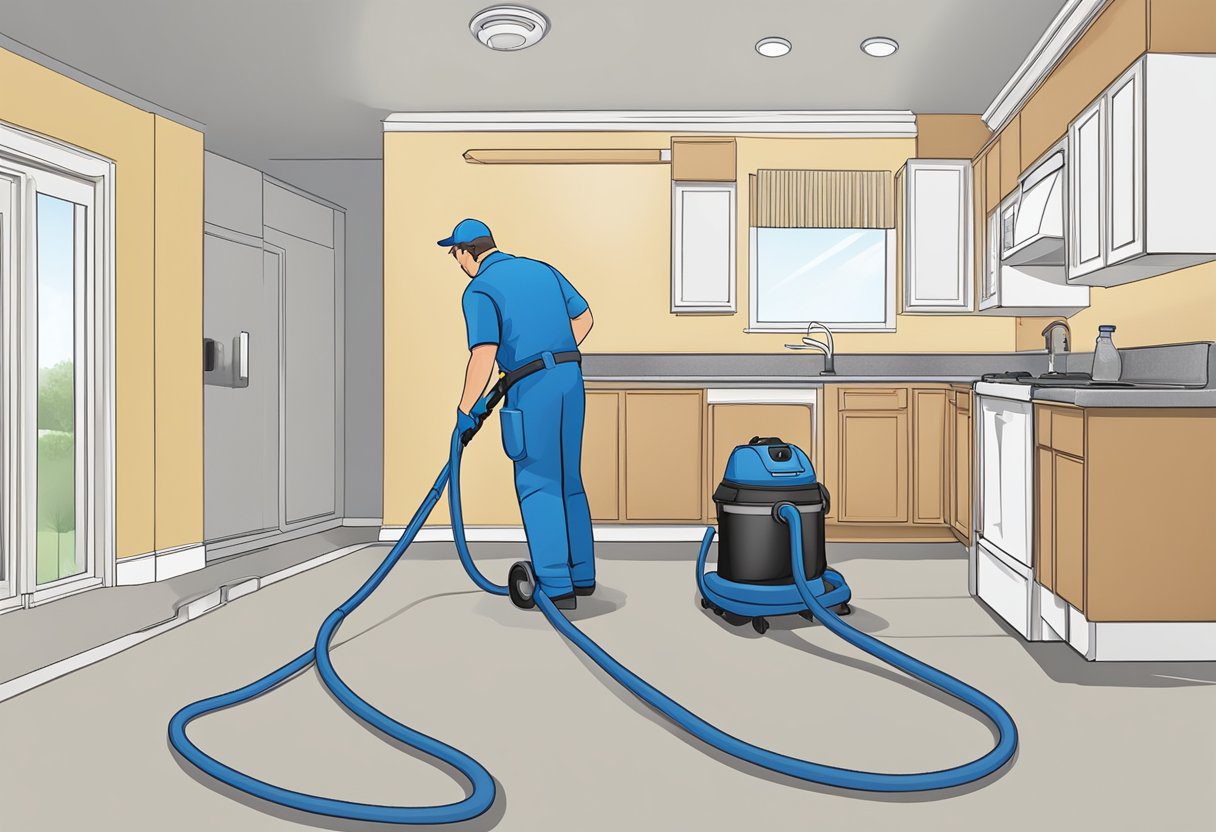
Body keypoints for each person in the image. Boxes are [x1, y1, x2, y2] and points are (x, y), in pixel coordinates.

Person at [442, 218, 596, 610]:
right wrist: (549, 353)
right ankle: (582, 574)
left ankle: (557, 586)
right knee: (568, 479)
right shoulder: (542, 269)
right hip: (569, 379)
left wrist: (465, 411)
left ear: (466, 252)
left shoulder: (479, 289)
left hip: (531, 391)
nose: (457, 263)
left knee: (538, 482)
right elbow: (585, 319)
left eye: (455, 255)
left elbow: (484, 354)